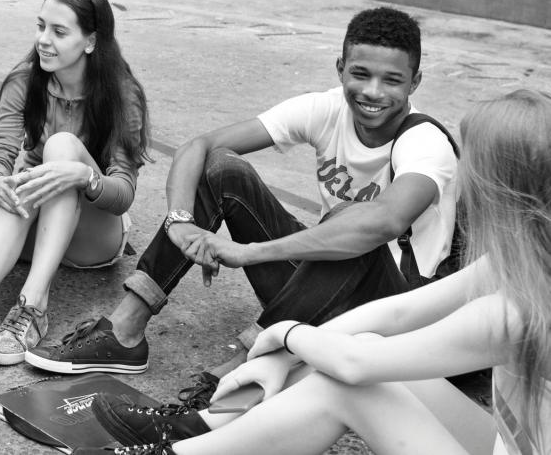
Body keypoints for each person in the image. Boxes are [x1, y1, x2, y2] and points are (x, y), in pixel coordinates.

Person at [77, 89, 551, 455]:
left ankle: (182, 448)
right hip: (504, 442)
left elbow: (354, 365)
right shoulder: (523, 265)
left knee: (348, 384)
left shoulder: (515, 312)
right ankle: (204, 425)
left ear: (496, 190)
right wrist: (279, 354)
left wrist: (285, 334)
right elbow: (397, 316)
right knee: (354, 344)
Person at [25, 7, 459, 390]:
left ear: (415, 82)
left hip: (395, 319)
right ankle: (125, 331)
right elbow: (199, 146)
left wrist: (249, 252)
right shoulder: (326, 109)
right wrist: (180, 220)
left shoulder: (424, 142)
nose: (372, 92)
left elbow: (381, 224)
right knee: (222, 168)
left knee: (351, 225)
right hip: (324, 293)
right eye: (360, 74)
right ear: (340, 67)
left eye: (392, 80)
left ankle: (244, 368)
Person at [0, 0, 150, 385]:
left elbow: (123, 193)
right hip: (33, 235)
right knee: (22, 181)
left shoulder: (121, 93)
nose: (43, 40)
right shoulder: (25, 80)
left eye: (59, 31)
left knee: (63, 148)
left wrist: (84, 175)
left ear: (90, 41)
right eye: (41, 26)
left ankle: (33, 304)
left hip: (93, 237)